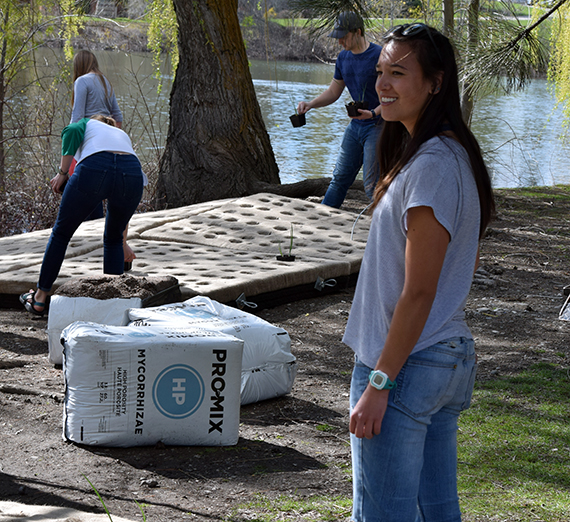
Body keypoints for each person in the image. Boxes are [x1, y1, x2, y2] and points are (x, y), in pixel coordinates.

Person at [343, 24, 495, 521]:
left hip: (407, 365)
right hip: (439, 358)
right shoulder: (450, 156)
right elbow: (464, 260)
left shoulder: (431, 164)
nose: (381, 84)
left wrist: (379, 382)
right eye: (381, 72)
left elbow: (420, 290)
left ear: (435, 82)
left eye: (398, 73)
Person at [19, 115, 144, 316]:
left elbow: (70, 131)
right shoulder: (121, 135)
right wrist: (123, 242)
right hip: (132, 172)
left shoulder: (87, 124)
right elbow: (133, 180)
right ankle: (113, 306)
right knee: (112, 240)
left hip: (95, 168)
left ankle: (39, 298)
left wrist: (62, 173)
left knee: (61, 234)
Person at [297, 11, 383, 208]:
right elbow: (334, 91)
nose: (339, 42)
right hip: (356, 126)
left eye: (343, 36)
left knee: (372, 186)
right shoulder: (343, 58)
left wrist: (373, 113)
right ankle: (322, 221)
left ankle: (382, 228)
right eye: (338, 37)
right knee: (339, 179)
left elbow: (393, 97)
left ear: (358, 32)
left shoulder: (379, 56)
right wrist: (310, 104)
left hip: (379, 125)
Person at [69, 50, 135, 266]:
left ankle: (95, 250)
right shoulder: (106, 82)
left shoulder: (81, 81)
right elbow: (118, 116)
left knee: (87, 198)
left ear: (79, 66)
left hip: (89, 142)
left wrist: (69, 156)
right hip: (113, 144)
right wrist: (115, 140)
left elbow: (77, 119)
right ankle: (117, 248)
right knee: (115, 202)